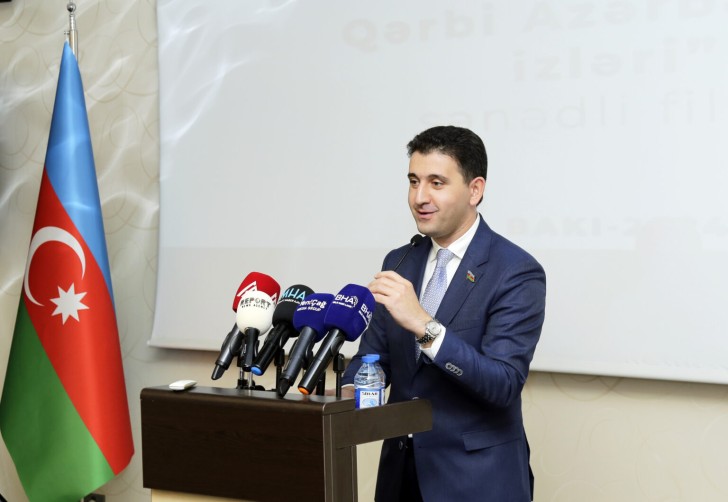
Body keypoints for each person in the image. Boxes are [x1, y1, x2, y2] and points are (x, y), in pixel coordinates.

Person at [342, 125, 546, 501]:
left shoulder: (515, 271)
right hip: (401, 475)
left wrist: (424, 324)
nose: (420, 197)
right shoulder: (400, 260)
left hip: (475, 480)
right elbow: (374, 358)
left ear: (475, 190)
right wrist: (348, 391)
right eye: (413, 181)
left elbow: (503, 384)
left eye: (436, 183)